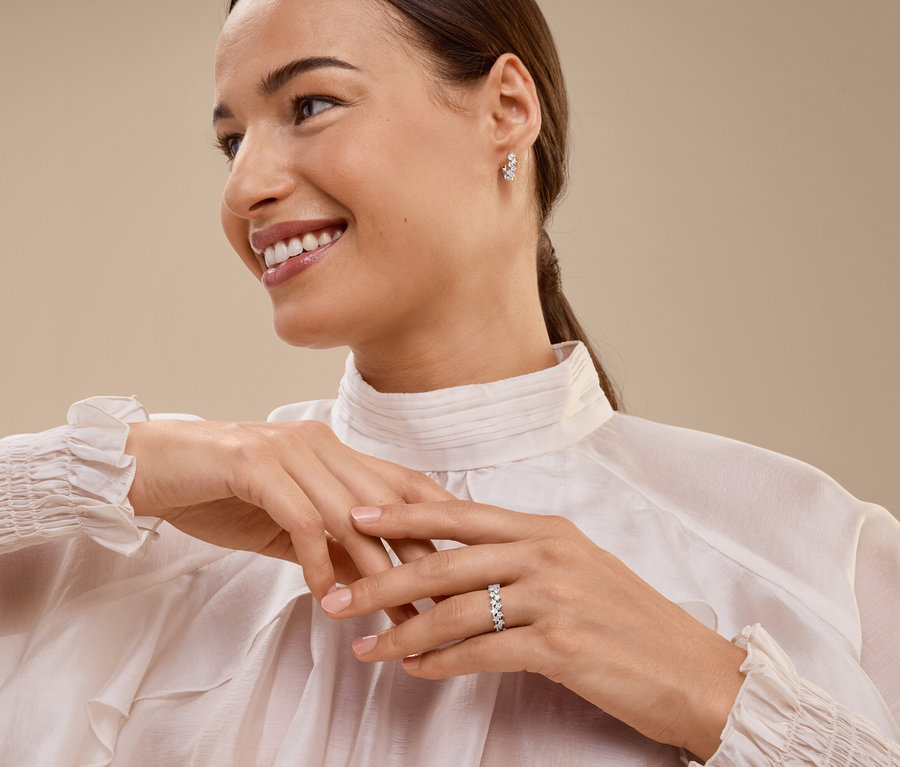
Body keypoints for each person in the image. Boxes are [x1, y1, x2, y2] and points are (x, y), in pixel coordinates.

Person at [1, 0, 898, 764]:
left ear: (506, 107)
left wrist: (714, 692)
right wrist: (123, 462)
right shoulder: (142, 539)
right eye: (231, 140)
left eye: (310, 103)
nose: (246, 186)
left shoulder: (812, 552)